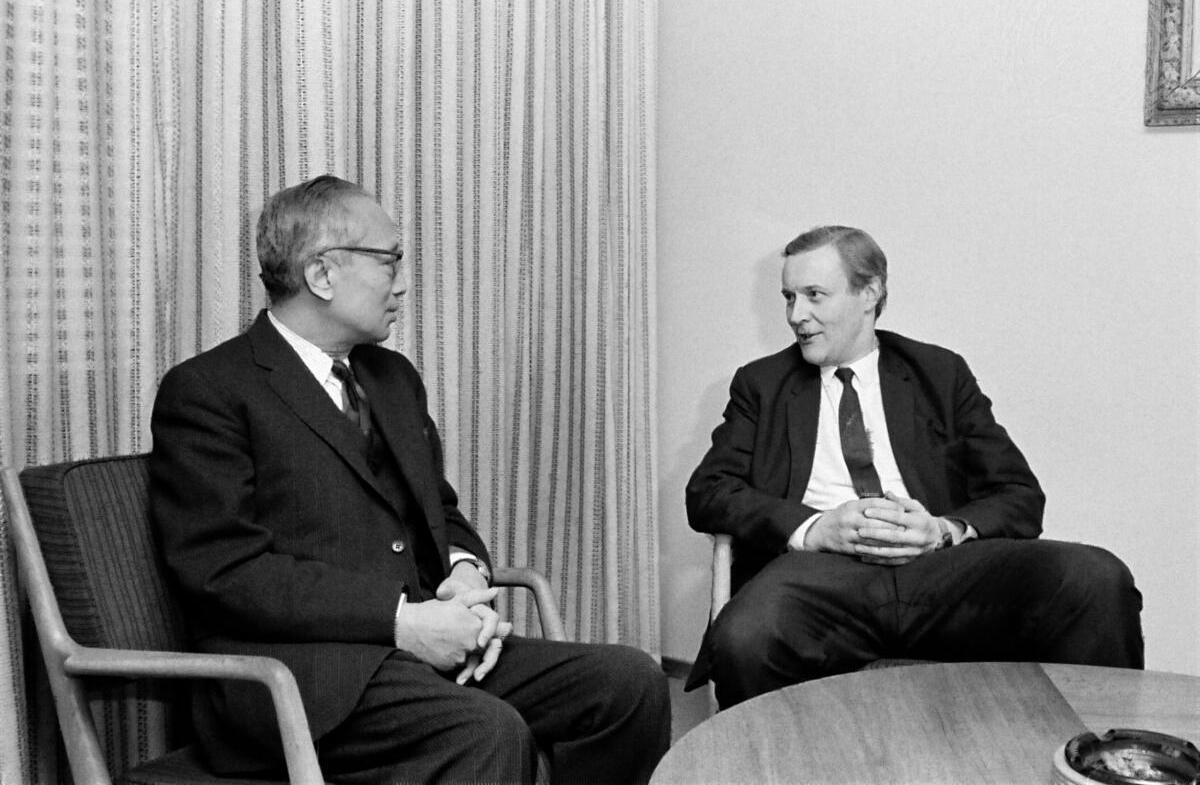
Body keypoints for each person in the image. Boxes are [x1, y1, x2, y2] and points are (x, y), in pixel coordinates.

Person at [149, 174, 670, 783]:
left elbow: (439, 512)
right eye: (388, 260)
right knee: (486, 728)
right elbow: (225, 572)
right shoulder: (209, 391)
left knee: (629, 683)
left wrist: (466, 576)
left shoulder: (392, 378)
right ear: (321, 274)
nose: (402, 283)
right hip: (303, 676)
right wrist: (401, 621)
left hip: (421, 650)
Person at [683, 225, 1143, 709]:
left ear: (869, 293)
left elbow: (1019, 496)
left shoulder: (939, 373)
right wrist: (815, 528)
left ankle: (1101, 749)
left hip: (939, 572)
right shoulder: (762, 384)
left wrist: (943, 530)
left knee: (1095, 578)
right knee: (747, 635)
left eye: (814, 295)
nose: (797, 316)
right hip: (818, 579)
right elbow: (709, 492)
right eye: (789, 297)